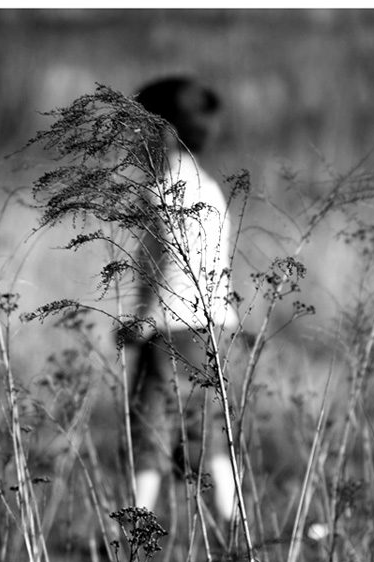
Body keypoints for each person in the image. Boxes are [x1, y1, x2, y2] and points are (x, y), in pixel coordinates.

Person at [130, 77, 239, 522]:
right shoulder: (208, 187)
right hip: (218, 324)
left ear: (162, 130)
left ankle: (133, 529)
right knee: (210, 430)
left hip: (173, 326)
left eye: (138, 127)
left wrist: (140, 319)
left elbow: (153, 266)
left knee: (150, 430)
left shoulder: (159, 190)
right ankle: (232, 524)